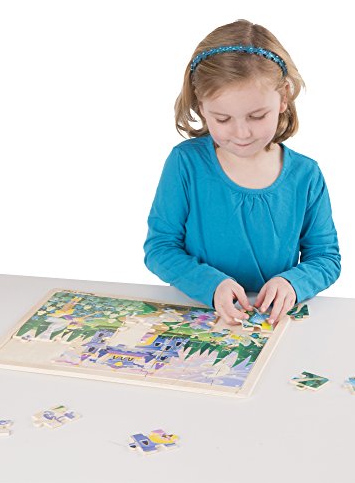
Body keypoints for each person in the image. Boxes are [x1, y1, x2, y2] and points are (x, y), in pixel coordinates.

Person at [143, 19, 341, 326]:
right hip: (198, 315)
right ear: (201, 106)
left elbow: (326, 258)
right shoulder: (185, 163)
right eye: (222, 119)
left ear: (284, 97)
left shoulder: (306, 175)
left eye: (257, 116)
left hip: (273, 323)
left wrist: (293, 283)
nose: (241, 133)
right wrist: (211, 285)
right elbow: (160, 248)